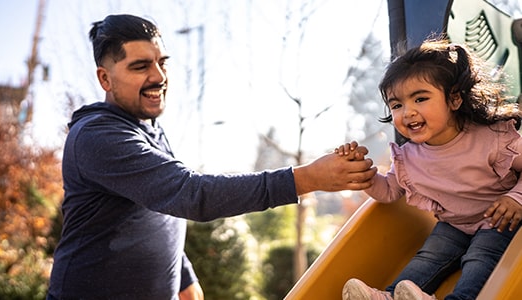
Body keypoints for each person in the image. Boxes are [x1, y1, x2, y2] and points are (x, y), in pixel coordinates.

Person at [46, 14, 377, 300]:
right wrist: (307, 179)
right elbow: (191, 194)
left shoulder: (148, 128)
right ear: (105, 78)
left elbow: (161, 208)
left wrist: (184, 275)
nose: (159, 77)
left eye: (162, 62)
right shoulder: (98, 136)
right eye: (140, 66)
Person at [337, 39, 522, 300]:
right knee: (428, 257)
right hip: (454, 225)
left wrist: (516, 198)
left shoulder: (491, 139)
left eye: (420, 98)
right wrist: (363, 175)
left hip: (499, 221)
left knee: (481, 256)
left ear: (454, 99)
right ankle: (391, 296)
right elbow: (389, 191)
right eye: (397, 105)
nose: (408, 112)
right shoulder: (410, 157)